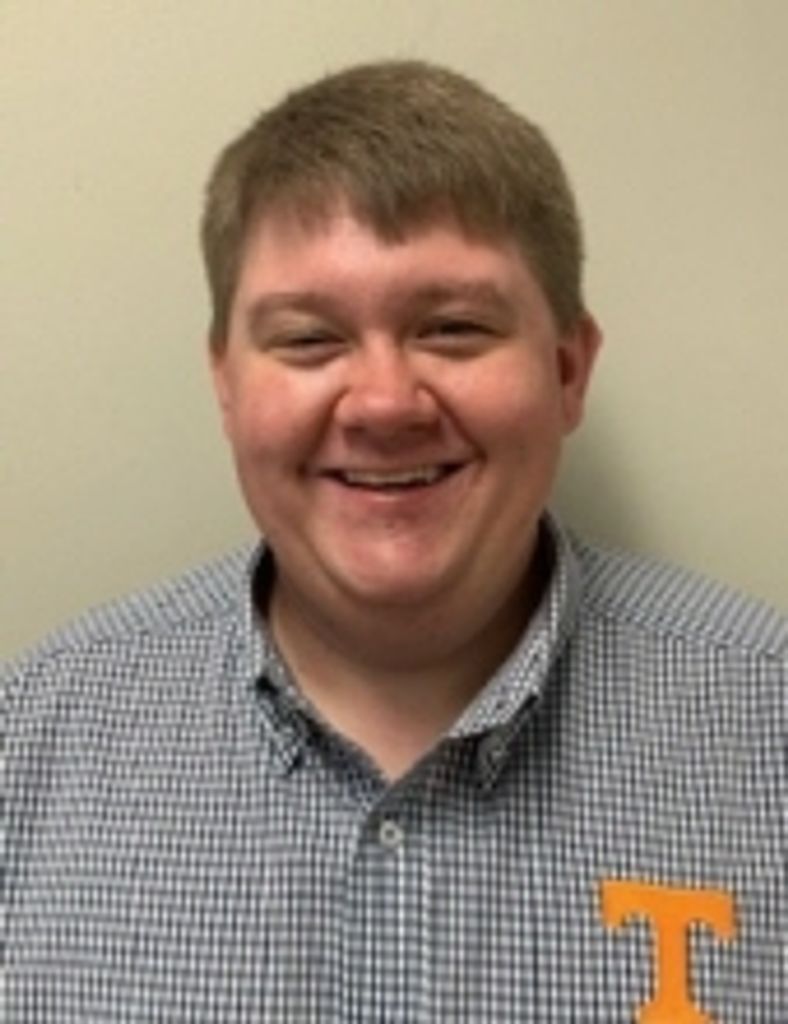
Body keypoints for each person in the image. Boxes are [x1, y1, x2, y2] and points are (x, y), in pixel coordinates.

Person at [4, 60, 784, 1023]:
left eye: (453, 328)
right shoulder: (25, 752)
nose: (383, 405)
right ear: (226, 384)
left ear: (567, 371)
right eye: (308, 339)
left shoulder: (771, 729)